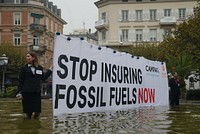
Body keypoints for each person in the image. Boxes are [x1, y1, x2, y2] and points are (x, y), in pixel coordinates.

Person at [17, 52, 52, 119]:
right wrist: (19, 92)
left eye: (28, 56)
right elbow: (21, 81)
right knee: (28, 112)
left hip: (36, 92)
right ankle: (28, 125)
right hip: (26, 92)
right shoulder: (24, 68)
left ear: (33, 58)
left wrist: (50, 70)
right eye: (26, 56)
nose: (27, 58)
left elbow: (43, 78)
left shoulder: (39, 68)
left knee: (37, 111)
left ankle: (35, 125)